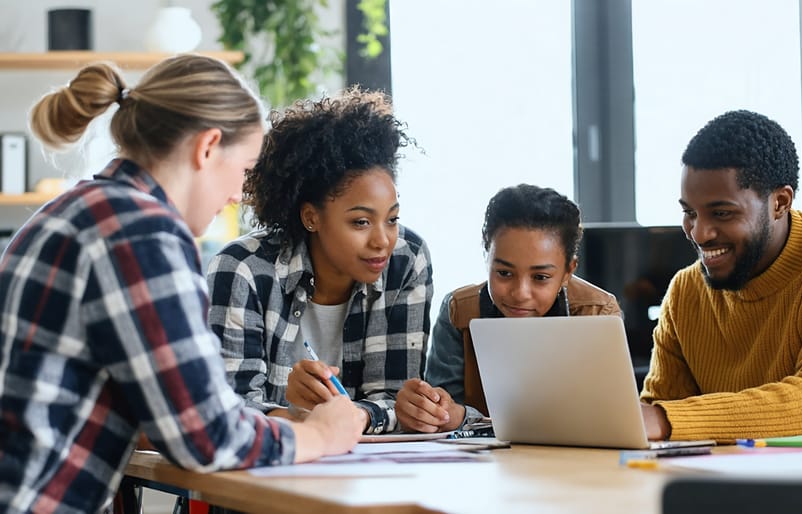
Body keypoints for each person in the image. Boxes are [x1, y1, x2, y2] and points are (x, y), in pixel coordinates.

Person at [0, 55, 365, 514]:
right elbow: (205, 435)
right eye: (245, 170)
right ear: (208, 147)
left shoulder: (62, 212)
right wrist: (320, 434)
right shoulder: (143, 234)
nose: (239, 194)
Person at [640, 109, 802, 442]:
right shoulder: (685, 291)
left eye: (722, 213)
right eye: (689, 213)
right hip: (735, 482)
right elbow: (655, 415)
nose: (699, 233)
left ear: (779, 202)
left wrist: (663, 419)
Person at [207, 88, 433, 436]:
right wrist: (293, 410)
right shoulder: (243, 269)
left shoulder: (407, 260)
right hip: (260, 476)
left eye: (392, 218)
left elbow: (396, 398)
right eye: (360, 222)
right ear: (311, 217)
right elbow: (226, 408)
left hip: (364, 475)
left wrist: (358, 417)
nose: (382, 240)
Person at [396, 184, 621, 433]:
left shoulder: (597, 313)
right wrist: (431, 412)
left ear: (568, 271)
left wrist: (465, 418)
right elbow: (445, 417)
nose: (520, 293)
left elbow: (604, 420)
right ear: (486, 254)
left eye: (540, 277)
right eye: (504, 273)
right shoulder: (458, 312)